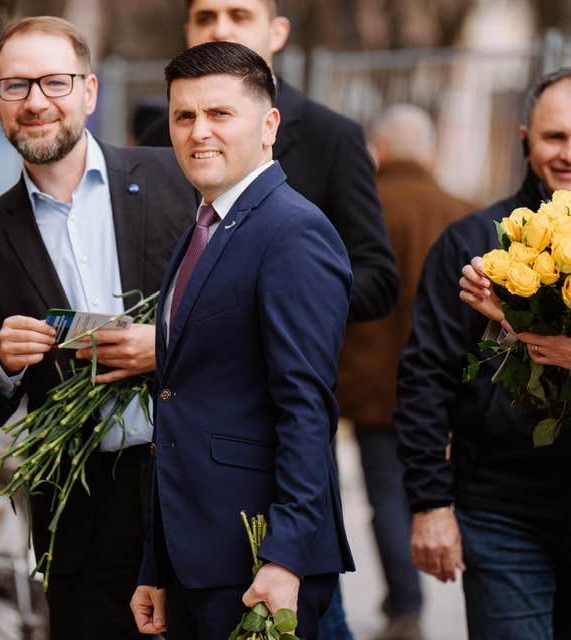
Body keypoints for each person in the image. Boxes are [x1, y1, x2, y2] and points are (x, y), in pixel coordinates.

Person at [0, 16, 196, 640]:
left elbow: (243, 312)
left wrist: (165, 348)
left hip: (195, 481)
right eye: (16, 86)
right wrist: (3, 363)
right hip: (83, 517)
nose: (35, 102)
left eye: (54, 82)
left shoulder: (174, 179)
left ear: (89, 91)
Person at [130, 41, 354, 640]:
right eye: (184, 116)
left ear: (269, 125)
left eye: (219, 113)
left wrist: (285, 558)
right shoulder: (204, 226)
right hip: (196, 557)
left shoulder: (294, 231)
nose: (198, 131)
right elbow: (182, 404)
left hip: (259, 561)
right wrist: (157, 565)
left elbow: (306, 408)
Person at [395, 68, 571, 639]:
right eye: (555, 137)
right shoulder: (471, 244)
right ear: (526, 139)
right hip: (501, 513)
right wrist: (430, 504)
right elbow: (425, 376)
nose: (568, 154)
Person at [138, 0, 397, 325]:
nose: (220, 30)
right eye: (205, 18)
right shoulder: (158, 137)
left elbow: (377, 279)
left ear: (277, 33)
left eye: (239, 16)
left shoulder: (332, 137)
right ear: (188, 32)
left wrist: (254, 313)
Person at [336, 104, 472, 640]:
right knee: (447, 488)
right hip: (449, 385)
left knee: (388, 498)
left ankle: (405, 605)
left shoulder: (364, 212)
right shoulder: (464, 213)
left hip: (375, 388)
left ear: (382, 151)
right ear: (431, 152)